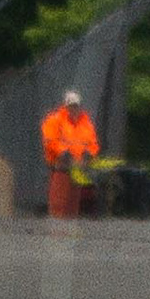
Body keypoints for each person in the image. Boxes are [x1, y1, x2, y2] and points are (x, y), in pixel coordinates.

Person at [40, 91, 101, 219]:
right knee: (59, 208)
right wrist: (66, 155)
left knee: (72, 209)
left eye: (76, 106)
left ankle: (69, 234)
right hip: (61, 169)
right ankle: (56, 234)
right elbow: (50, 141)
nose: (73, 109)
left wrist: (88, 155)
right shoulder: (54, 120)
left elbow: (93, 144)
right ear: (65, 105)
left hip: (77, 170)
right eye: (71, 105)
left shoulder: (86, 123)